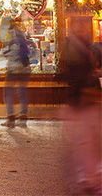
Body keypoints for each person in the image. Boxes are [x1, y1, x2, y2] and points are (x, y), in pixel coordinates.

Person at [59, 18, 101, 195]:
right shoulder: (78, 49)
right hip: (82, 101)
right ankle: (88, 178)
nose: (85, 30)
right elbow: (77, 74)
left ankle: (87, 177)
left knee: (86, 140)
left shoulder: (76, 48)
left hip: (81, 100)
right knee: (86, 140)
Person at [2, 19, 34, 128]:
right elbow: (33, 52)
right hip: (25, 69)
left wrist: (7, 54)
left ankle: (11, 118)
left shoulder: (10, 37)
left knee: (8, 92)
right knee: (22, 92)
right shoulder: (25, 36)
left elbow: (6, 52)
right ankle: (23, 117)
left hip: (13, 69)